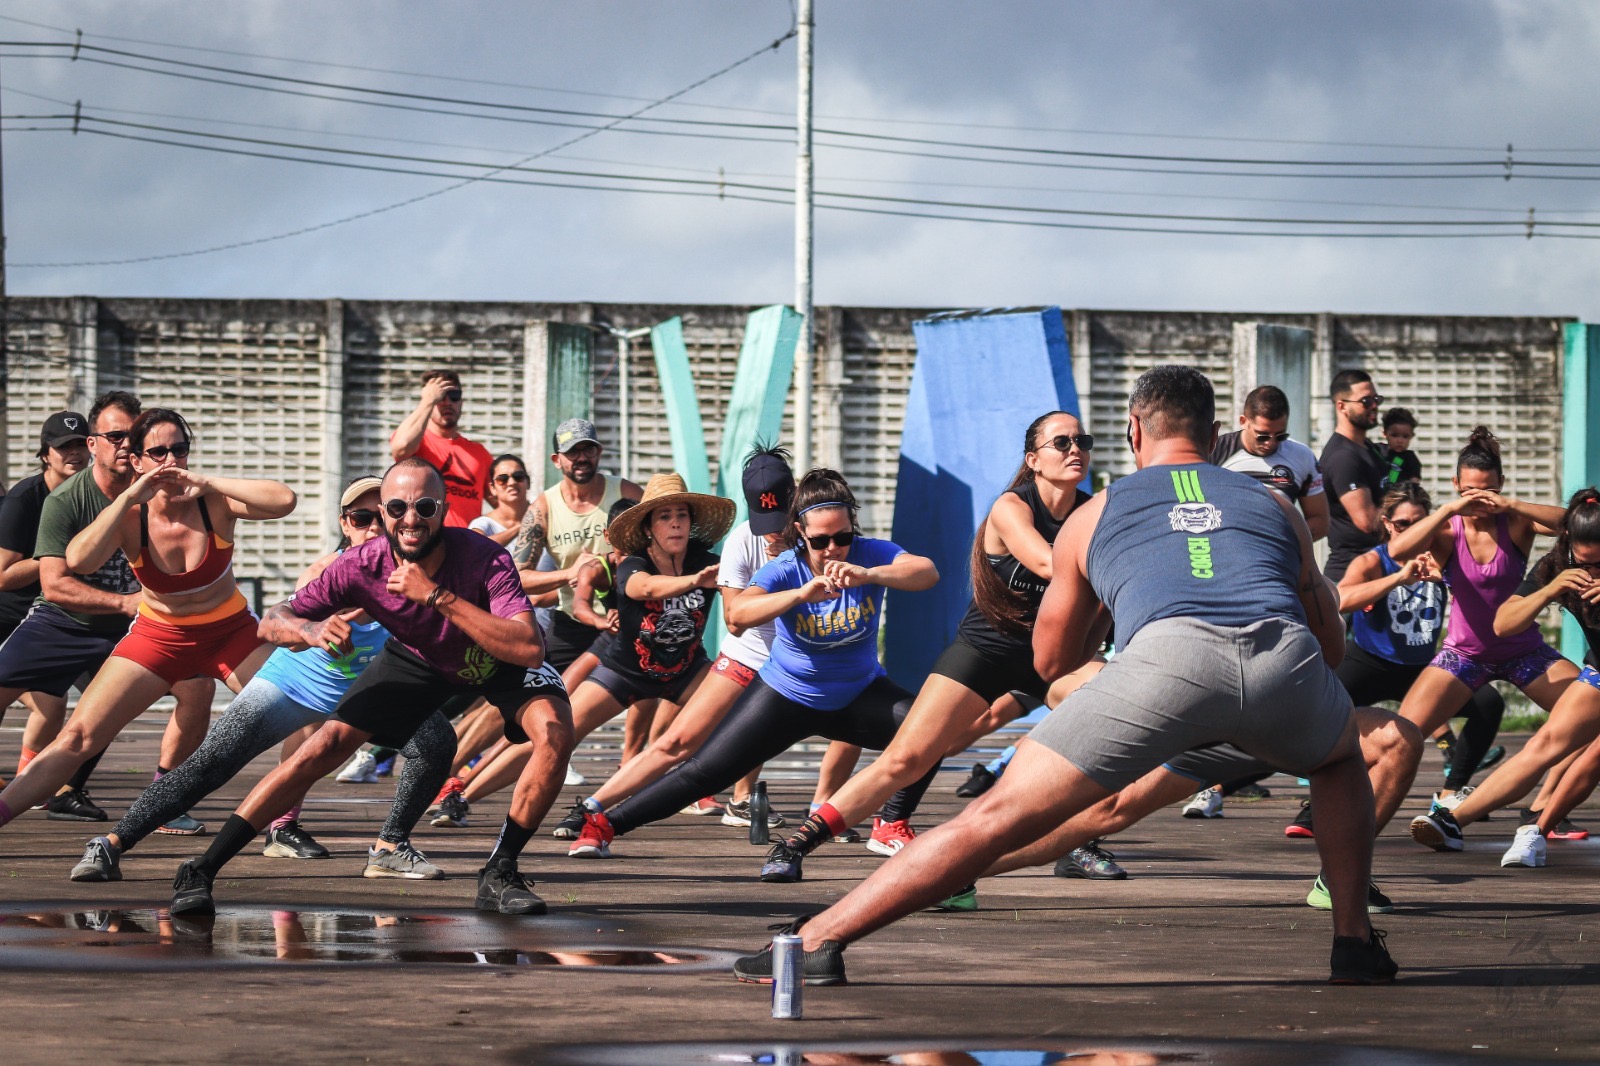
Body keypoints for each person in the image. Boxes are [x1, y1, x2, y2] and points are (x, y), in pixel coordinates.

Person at [731, 365, 1396, 988]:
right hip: (1284, 662)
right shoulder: (1277, 507)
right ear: (1218, 434)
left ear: (1136, 431)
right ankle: (1353, 941)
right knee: (1339, 762)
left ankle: (818, 941)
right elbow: (1330, 643)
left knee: (996, 814)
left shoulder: (1094, 513)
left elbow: (1052, 662)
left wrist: (1115, 606)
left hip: (1166, 662)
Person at [163, 457, 572, 918]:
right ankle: (202, 869)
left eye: (425, 506)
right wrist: (309, 630)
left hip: (497, 659)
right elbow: (273, 620)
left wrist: (437, 597)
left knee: (555, 733)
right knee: (323, 747)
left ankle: (500, 872)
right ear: (382, 512)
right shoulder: (361, 564)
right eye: (396, 507)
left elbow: (527, 648)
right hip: (421, 659)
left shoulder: (483, 556)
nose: (410, 519)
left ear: (443, 510)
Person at [757, 411, 1098, 890]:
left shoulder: (1092, 511)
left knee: (1110, 716)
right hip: (987, 647)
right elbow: (1048, 563)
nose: (1074, 449)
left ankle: (1075, 841)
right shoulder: (1011, 506)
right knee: (907, 757)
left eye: (1082, 440)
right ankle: (796, 844)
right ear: (1033, 459)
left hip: (1054, 655)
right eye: (1061, 442)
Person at [66, 476, 455, 882]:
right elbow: (276, 621)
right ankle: (111, 844)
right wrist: (311, 629)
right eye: (361, 518)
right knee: (213, 763)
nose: (373, 527)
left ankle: (390, 847)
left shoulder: (418, 573)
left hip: (368, 691)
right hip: (296, 682)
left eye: (383, 515)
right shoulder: (328, 570)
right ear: (345, 524)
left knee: (436, 741)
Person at [566, 468, 941, 862]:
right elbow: (738, 615)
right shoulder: (784, 567)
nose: (833, 549)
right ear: (800, 530)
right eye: (820, 540)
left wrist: (869, 574)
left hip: (856, 693)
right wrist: (799, 596)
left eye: (842, 537)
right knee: (705, 772)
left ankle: (892, 824)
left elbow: (926, 572)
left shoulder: (870, 554)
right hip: (786, 694)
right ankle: (604, 824)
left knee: (933, 729)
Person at [0, 408, 295, 833]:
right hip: (158, 635)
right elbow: (80, 559)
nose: (170, 461)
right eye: (158, 452)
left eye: (179, 450)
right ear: (137, 461)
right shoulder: (129, 514)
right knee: (78, 738)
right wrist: (125, 499)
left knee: (308, 715)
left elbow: (284, 500)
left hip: (228, 632)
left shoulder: (212, 500)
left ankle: (282, 827)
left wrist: (209, 481)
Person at [537, 447, 796, 840]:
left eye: (681, 515)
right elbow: (730, 617)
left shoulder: (816, 538)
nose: (674, 524)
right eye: (664, 516)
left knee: (743, 730)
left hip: (690, 670)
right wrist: (699, 582)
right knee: (556, 730)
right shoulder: (638, 562)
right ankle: (476, 789)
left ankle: (756, 803)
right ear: (647, 527)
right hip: (624, 668)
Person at [1280, 482, 1503, 840]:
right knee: (1324, 717)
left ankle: (1449, 794)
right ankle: (1311, 805)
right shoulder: (1372, 560)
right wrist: (1397, 578)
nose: (1410, 531)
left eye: (1418, 522)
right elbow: (1341, 598)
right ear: (1387, 524)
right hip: (1371, 662)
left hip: (1422, 668)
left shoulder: (1442, 556)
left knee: (1488, 703)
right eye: (1402, 524)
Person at [1388, 427, 1571, 824]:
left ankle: (1549, 808)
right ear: (1456, 485)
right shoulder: (1447, 529)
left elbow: (1572, 524)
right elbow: (1397, 549)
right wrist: (1446, 510)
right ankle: (1351, 812)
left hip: (1524, 651)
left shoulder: (1517, 523)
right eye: (1470, 490)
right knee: (1400, 735)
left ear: (1500, 485)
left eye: (1488, 489)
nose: (1480, 499)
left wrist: (1512, 504)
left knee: (1586, 713)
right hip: (1464, 655)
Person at [1412, 488, 1600, 863]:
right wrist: (1548, 591)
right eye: (1585, 563)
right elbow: (1503, 623)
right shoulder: (1558, 564)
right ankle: (1452, 821)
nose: (1592, 572)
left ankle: (1538, 825)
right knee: (1545, 742)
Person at [512, 418, 643, 673]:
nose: (581, 457)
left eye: (588, 449)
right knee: (536, 686)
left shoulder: (627, 493)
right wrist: (571, 573)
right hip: (572, 620)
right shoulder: (543, 508)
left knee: (648, 691)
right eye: (572, 451)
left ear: (599, 453)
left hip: (625, 617)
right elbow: (518, 578)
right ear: (557, 460)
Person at [0, 412, 91, 782]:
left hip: (65, 614)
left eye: (80, 444)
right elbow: (3, 575)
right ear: (45, 455)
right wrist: (58, 558)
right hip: (13, 616)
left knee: (56, 705)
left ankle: (30, 783)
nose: (73, 454)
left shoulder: (96, 494)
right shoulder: (24, 499)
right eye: (62, 447)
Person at [1210, 384, 1329, 540]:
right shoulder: (1214, 451)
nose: (1270, 443)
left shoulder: (1302, 456)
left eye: (1280, 436)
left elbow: (1320, 520)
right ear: (1243, 421)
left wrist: (1283, 541)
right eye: (1263, 436)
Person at [389, 368, 493, 528]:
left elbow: (501, 500)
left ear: (461, 402)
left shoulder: (479, 453)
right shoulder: (420, 444)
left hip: (467, 545)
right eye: (440, 396)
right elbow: (401, 448)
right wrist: (428, 401)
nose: (447, 402)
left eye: (454, 396)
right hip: (424, 541)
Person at [1319, 370, 1387, 582]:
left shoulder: (1367, 448)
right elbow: (1367, 521)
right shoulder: (1343, 457)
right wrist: (1414, 526)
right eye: (1366, 401)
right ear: (1342, 406)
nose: (1374, 406)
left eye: (1376, 399)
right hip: (1351, 576)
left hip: (1376, 569)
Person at [470, 454, 530, 548]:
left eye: (518, 476)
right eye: (502, 479)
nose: (512, 483)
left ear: (528, 482)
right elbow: (474, 547)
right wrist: (520, 527)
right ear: (492, 488)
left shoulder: (545, 515)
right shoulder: (483, 524)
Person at [1380, 408, 1423, 487]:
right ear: (1385, 433)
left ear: (1412, 436)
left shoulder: (1410, 458)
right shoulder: (1377, 451)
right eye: (1394, 435)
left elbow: (1415, 482)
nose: (1400, 441)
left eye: (1405, 436)